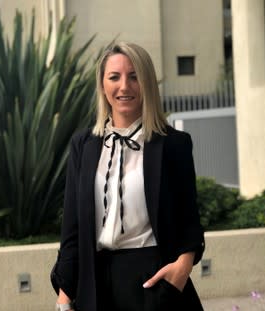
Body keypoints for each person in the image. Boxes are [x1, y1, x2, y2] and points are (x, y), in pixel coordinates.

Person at [51, 42, 205, 311]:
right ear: (102, 85)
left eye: (134, 76)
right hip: (95, 286)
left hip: (154, 283)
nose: (124, 86)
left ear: (147, 83)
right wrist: (64, 299)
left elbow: (189, 222)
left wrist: (180, 271)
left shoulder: (173, 144)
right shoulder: (83, 145)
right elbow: (72, 231)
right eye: (114, 77)